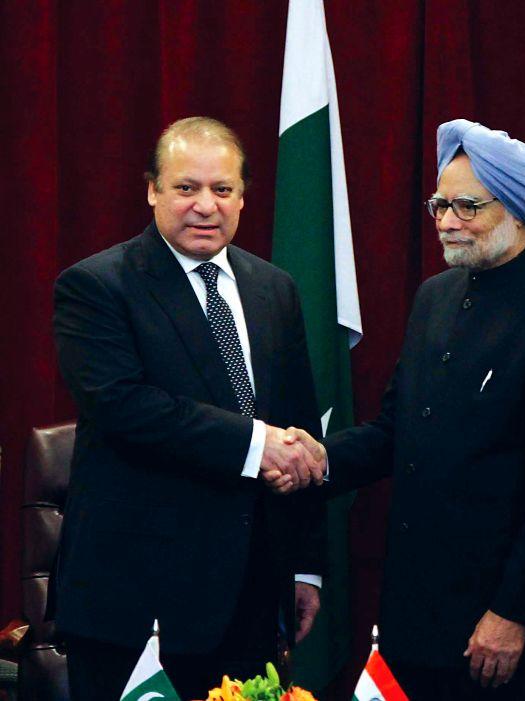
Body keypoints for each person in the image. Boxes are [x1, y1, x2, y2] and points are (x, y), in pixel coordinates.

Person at [282, 119, 525, 700]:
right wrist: (319, 458)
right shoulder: (434, 297)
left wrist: (511, 613)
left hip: (493, 622)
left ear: (519, 213)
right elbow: (394, 431)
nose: (446, 220)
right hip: (410, 607)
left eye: (467, 206)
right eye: (440, 204)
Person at [52, 116, 326, 701]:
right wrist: (259, 444)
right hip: (135, 602)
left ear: (243, 197)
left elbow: (298, 427)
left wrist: (303, 567)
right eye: (186, 188)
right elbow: (126, 407)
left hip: (251, 598)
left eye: (222, 190)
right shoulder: (97, 286)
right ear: (152, 189)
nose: (206, 205)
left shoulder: (274, 289)